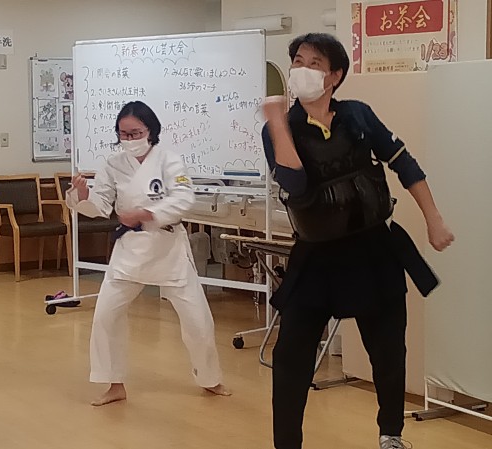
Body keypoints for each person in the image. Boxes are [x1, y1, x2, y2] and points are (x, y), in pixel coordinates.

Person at [261, 33, 454, 449]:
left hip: (373, 249)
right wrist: (276, 121)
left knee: (388, 349)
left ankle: (391, 434)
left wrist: (433, 219)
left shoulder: (358, 115)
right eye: (298, 61)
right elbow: (295, 183)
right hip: (315, 255)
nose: (302, 70)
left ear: (335, 76)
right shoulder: (280, 128)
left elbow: (404, 163)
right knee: (291, 355)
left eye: (314, 63)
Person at [66, 101, 230, 406]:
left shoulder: (169, 161)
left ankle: (210, 379)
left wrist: (146, 213)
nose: (129, 139)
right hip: (130, 250)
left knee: (198, 321)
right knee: (106, 316)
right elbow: (101, 205)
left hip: (168, 247)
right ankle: (114, 384)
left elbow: (183, 198)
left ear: (150, 131)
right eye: (123, 134)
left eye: (135, 133)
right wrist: (84, 194)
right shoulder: (113, 163)